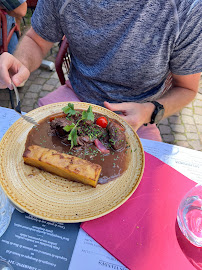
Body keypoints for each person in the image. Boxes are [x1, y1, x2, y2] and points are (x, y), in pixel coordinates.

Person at [0, 0, 201, 141]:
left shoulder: (186, 9)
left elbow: (186, 89)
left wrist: (151, 111)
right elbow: (37, 39)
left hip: (138, 115)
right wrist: (20, 63)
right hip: (77, 96)